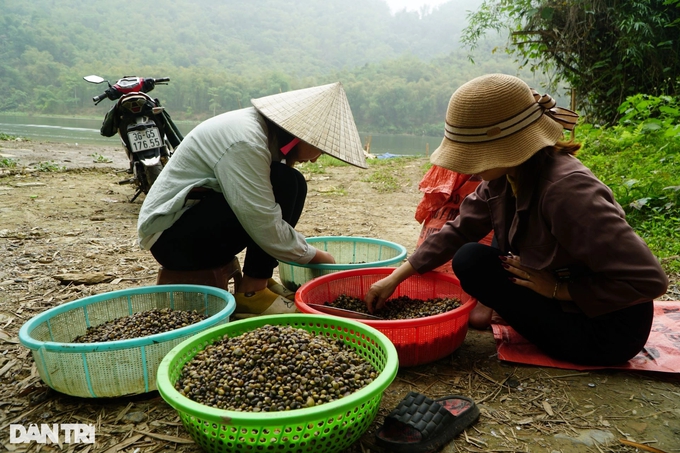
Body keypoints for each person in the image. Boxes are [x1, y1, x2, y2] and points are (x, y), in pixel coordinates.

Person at [365, 74, 668, 366]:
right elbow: (459, 230)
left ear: (507, 146)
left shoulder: (568, 191)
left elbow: (649, 280)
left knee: (474, 260)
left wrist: (556, 290)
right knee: (471, 258)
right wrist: (395, 277)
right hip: (560, 294)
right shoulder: (506, 177)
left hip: (604, 328)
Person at [137, 82, 367, 317]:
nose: (317, 159)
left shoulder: (262, 135)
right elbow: (262, 222)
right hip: (173, 240)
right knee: (285, 181)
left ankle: (258, 282)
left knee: (292, 181)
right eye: (321, 149)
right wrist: (318, 257)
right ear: (303, 136)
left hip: (192, 228)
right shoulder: (247, 140)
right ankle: (252, 293)